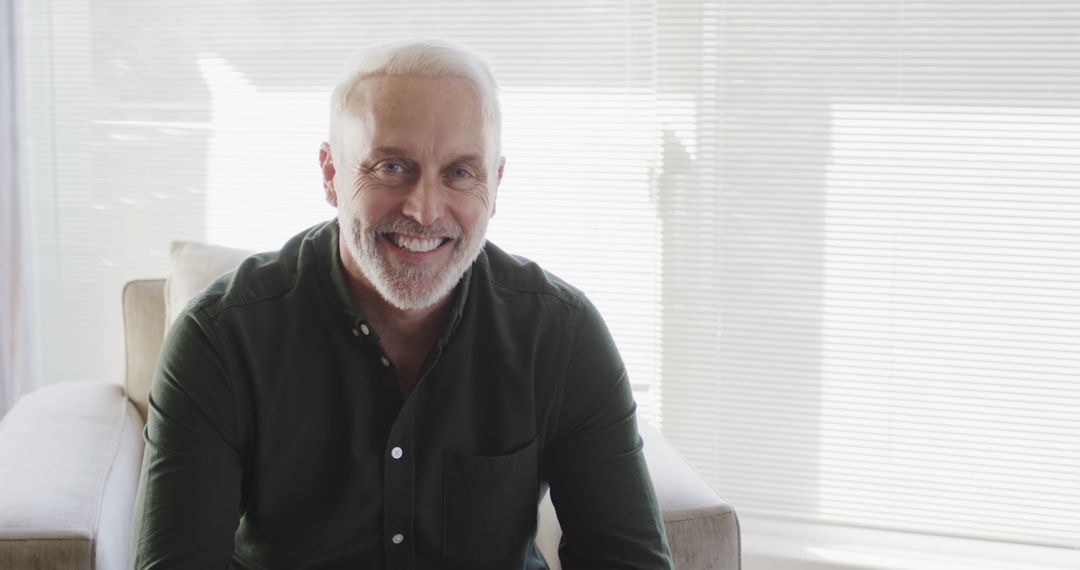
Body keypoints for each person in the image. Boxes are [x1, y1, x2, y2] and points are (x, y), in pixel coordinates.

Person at [131, 38, 672, 569]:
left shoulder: (561, 334)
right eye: (392, 167)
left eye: (460, 172)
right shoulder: (221, 338)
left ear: (496, 183)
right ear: (330, 175)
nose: (424, 209)